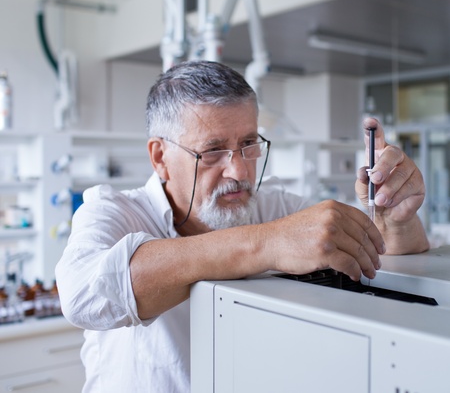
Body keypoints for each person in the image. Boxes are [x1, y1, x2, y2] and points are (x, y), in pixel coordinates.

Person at [55, 60, 429, 392]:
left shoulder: (274, 206)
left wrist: (396, 217)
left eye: (249, 144)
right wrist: (268, 243)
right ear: (160, 157)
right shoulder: (114, 210)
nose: (238, 171)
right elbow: (84, 296)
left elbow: (384, 256)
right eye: (212, 151)